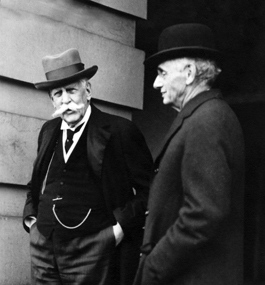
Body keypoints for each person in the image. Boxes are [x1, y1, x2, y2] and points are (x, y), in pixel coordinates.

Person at [22, 48, 153, 285]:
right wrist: (31, 220)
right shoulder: (48, 130)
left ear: (88, 90)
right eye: (57, 93)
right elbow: (37, 181)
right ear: (51, 99)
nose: (65, 100)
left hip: (93, 248)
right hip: (43, 245)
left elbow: (150, 191)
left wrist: (117, 229)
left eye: (72, 90)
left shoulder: (120, 131)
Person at [133, 23, 245, 285]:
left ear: (189, 72)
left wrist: (152, 268)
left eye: (162, 73)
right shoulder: (205, 116)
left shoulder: (207, 120)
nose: (155, 83)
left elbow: (203, 214)